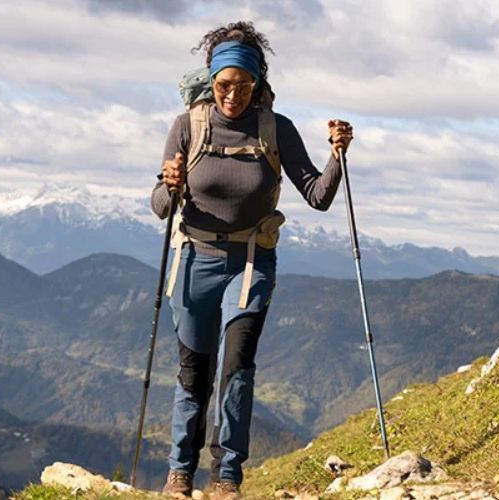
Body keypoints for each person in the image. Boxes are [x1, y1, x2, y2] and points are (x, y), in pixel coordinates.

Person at [150, 21, 353, 499]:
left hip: (250, 261)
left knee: (237, 366)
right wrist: (170, 183)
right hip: (194, 259)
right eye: (223, 85)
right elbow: (161, 205)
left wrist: (337, 159)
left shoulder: (275, 129)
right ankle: (180, 472)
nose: (232, 96)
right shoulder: (188, 126)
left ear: (258, 83)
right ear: (210, 80)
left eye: (243, 86)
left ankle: (227, 478)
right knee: (193, 372)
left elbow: (317, 197)